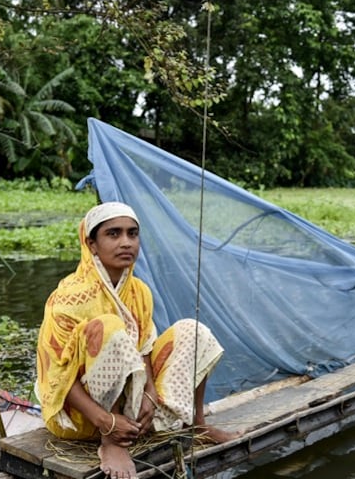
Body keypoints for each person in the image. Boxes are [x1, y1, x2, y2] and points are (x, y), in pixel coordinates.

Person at [35, 202, 237, 479]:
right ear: (91, 244)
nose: (126, 242)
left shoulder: (139, 291)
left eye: (133, 234)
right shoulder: (68, 298)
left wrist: (150, 395)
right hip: (84, 416)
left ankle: (196, 424)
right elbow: (59, 378)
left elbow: (144, 350)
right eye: (114, 234)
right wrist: (106, 422)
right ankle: (112, 442)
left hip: (132, 404)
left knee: (193, 330)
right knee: (108, 327)